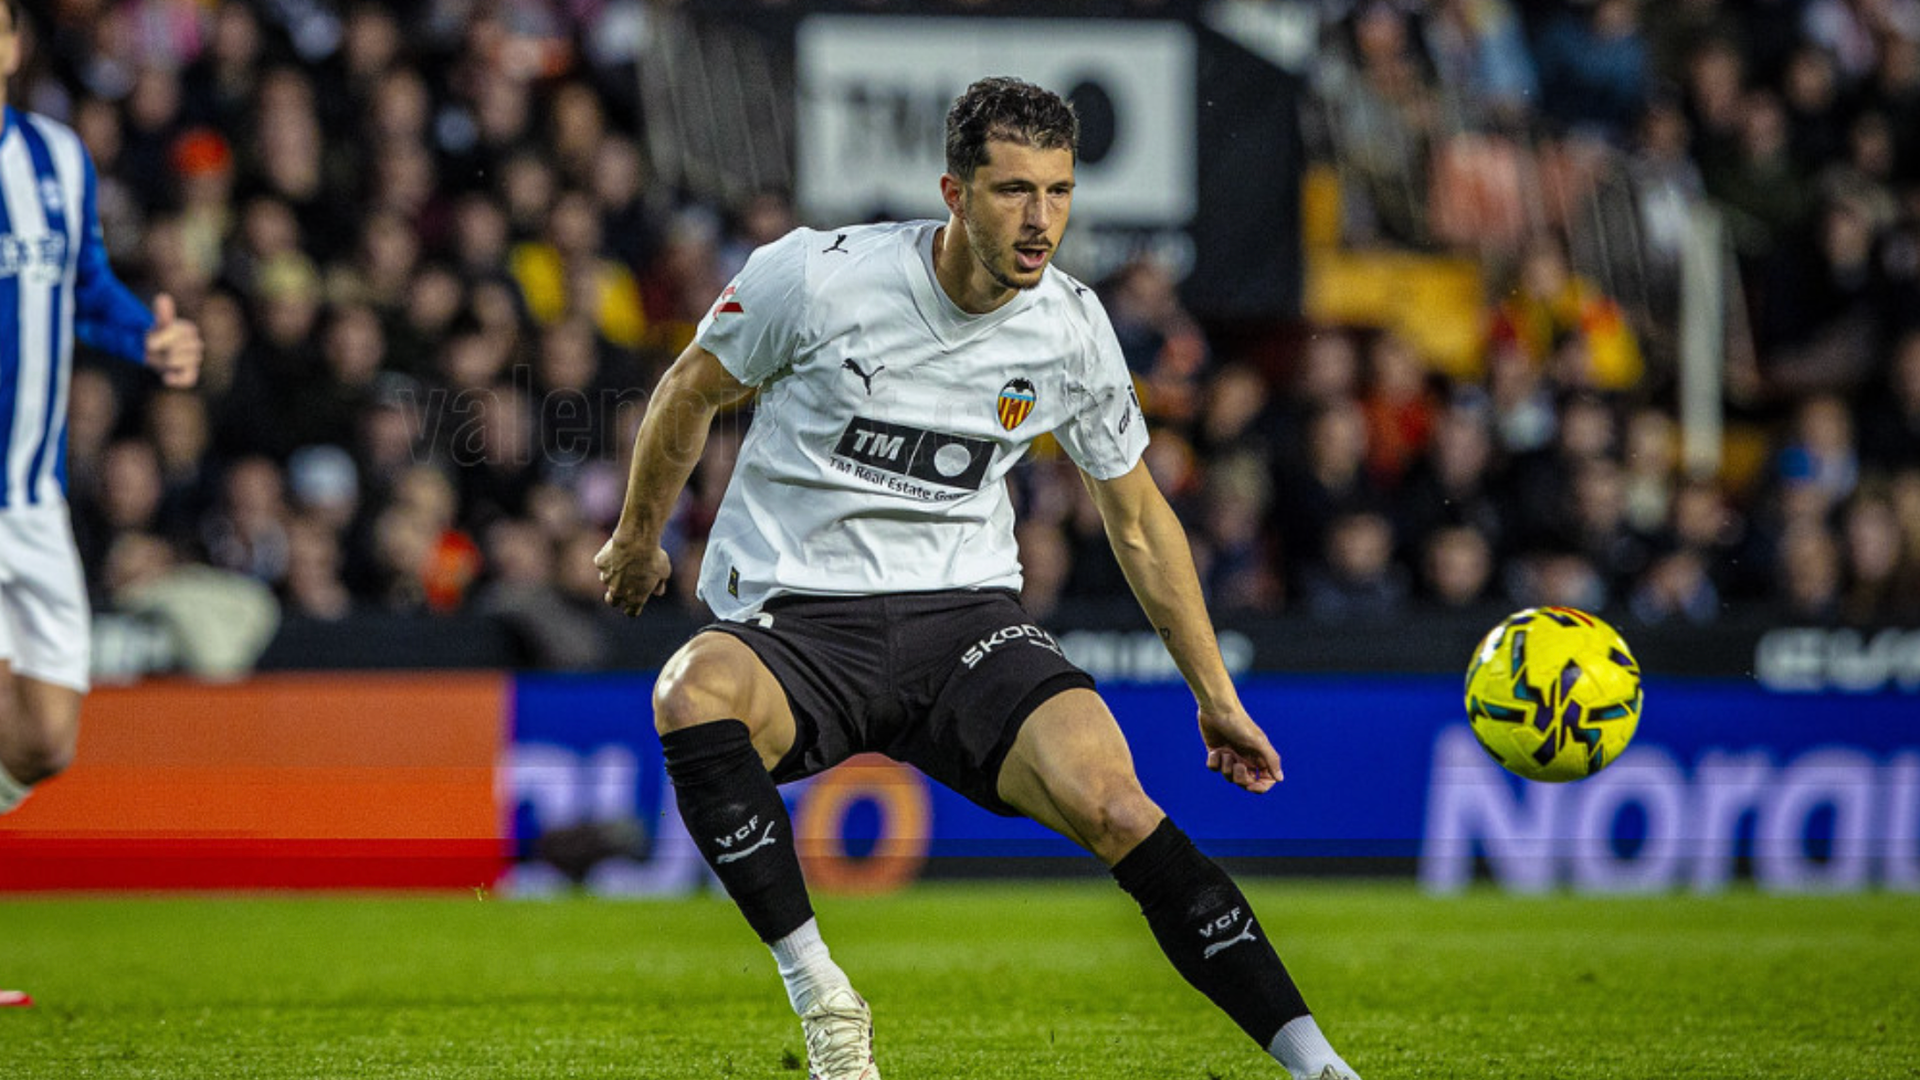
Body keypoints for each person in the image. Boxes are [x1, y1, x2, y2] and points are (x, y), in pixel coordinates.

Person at [595, 77, 1361, 1080]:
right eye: (1012, 191)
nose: (1040, 219)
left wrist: (1215, 696)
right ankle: (824, 996)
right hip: (797, 624)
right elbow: (692, 387)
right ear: (954, 192)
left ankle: (1320, 1067)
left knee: (1118, 804)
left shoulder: (1071, 329)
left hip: (965, 627)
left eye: (1059, 190)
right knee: (689, 694)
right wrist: (638, 538)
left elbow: (1136, 516)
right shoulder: (818, 280)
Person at [0, 0, 202, 1004]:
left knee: (43, 742)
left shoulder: (52, 157)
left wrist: (148, 338)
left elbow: (86, 288)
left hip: (31, 500)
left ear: (10, 45)